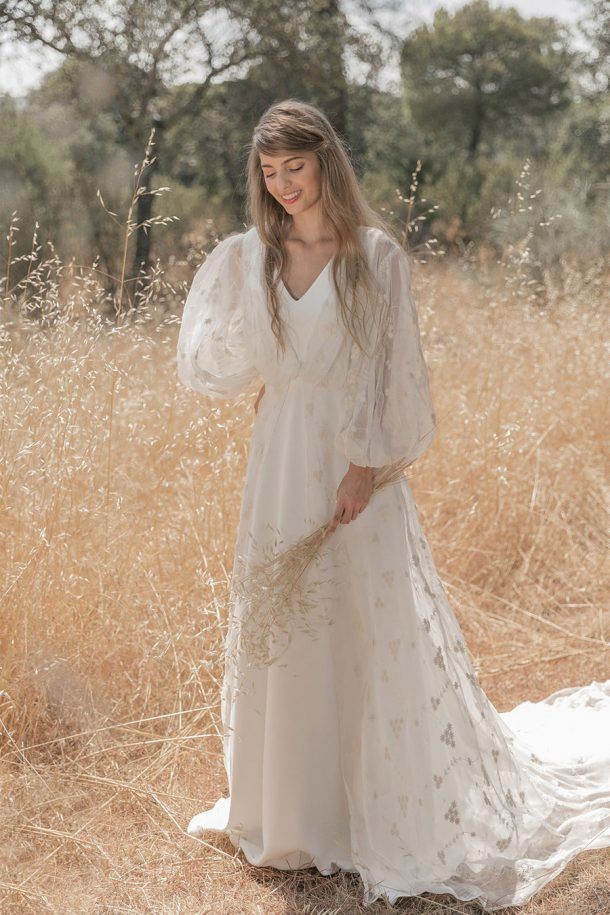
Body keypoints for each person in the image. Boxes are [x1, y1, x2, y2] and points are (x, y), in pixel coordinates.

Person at [176, 99, 610, 910]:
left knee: (357, 620)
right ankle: (285, 812)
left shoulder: (373, 257)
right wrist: (268, 362)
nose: (284, 185)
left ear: (326, 162)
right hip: (277, 461)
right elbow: (221, 361)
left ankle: (355, 810)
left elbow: (392, 373)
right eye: (269, 173)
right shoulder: (253, 256)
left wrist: (362, 470)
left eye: (296, 167)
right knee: (285, 619)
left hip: (350, 461)